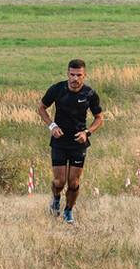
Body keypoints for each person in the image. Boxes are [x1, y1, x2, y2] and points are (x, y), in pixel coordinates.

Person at [37, 59, 104, 224]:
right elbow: (41, 108)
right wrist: (52, 126)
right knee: (59, 182)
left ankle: (68, 211)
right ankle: (55, 199)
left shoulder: (90, 94)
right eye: (72, 75)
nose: (75, 79)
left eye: (79, 75)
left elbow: (99, 118)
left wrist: (87, 133)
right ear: (67, 74)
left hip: (78, 142)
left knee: (73, 183)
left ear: (84, 75)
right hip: (59, 141)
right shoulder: (57, 89)